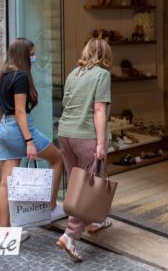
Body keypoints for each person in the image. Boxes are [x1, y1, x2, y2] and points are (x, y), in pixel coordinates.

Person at [0, 38, 65, 239]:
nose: (34, 58)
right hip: (20, 129)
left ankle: (6, 234)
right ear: (23, 55)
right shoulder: (21, 77)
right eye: (32, 54)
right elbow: (20, 112)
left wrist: (3, 130)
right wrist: (29, 142)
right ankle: (51, 207)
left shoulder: (1, 75)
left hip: (5, 127)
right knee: (57, 159)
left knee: (6, 183)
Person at [56, 38, 113, 262]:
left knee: (76, 185)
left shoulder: (73, 74)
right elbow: (99, 109)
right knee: (88, 189)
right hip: (86, 136)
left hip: (65, 134)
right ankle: (69, 236)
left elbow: (65, 104)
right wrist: (100, 143)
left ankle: (95, 221)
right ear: (105, 55)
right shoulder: (102, 75)